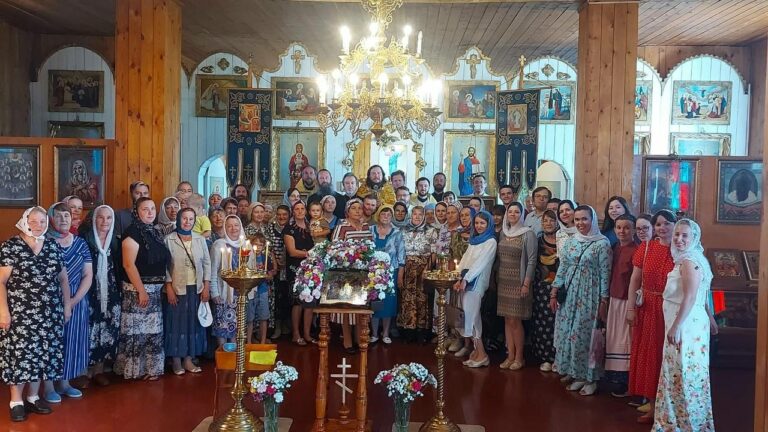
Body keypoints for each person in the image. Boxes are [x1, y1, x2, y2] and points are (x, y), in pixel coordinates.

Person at [0, 207, 68, 421]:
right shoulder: (11, 246)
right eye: (34, 221)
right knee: (20, 355)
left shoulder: (52, 246)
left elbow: (63, 279)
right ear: (25, 221)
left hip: (49, 313)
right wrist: (3, 311)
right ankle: (16, 402)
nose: (39, 225)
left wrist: (66, 306)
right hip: (20, 314)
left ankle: (33, 397)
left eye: (42, 221)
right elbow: (1, 281)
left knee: (42, 355)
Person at [653, 219, 717, 431]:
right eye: (677, 234)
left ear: (694, 238)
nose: (679, 239)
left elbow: (690, 297)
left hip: (685, 322)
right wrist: (711, 317)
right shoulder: (693, 259)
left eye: (685, 235)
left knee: (681, 369)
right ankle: (687, 420)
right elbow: (704, 295)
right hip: (690, 320)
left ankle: (682, 423)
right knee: (686, 369)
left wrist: (676, 326)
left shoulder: (689, 261)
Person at [549, 205, 612, 397]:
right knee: (568, 332)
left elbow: (605, 273)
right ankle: (574, 371)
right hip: (569, 293)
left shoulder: (602, 244)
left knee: (584, 336)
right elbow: (564, 266)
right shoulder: (571, 241)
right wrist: (554, 290)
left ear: (592, 220)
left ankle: (589, 378)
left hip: (589, 295)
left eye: (584, 219)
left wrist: (604, 300)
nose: (580, 223)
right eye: (577, 219)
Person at [627, 209, 677, 423]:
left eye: (667, 223)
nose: (662, 228)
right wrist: (630, 308)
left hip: (671, 309)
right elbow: (635, 279)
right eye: (658, 224)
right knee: (649, 355)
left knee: (667, 356)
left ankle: (669, 407)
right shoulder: (647, 247)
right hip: (648, 307)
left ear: (675, 224)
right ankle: (652, 403)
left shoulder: (682, 250)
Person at [115, 198, 171, 381]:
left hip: (155, 291)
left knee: (152, 332)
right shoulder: (132, 233)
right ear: (137, 212)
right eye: (145, 209)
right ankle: (136, 369)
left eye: (152, 209)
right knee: (138, 332)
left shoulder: (155, 232)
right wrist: (141, 290)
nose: (150, 212)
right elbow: (128, 265)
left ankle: (151, 368)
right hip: (137, 290)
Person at [44, 202, 92, 402]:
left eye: (67, 215)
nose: (63, 219)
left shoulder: (80, 243)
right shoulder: (43, 242)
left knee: (71, 341)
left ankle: (65, 383)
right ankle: (48, 387)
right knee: (50, 343)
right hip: (50, 299)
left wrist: (73, 301)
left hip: (77, 299)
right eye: (58, 215)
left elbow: (88, 274)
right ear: (50, 218)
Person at [163, 208, 210, 376]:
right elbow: (165, 266)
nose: (187, 222)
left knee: (192, 324)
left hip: (196, 288)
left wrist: (206, 286)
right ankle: (176, 360)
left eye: (191, 219)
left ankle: (189, 359)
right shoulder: (169, 239)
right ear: (178, 219)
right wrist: (169, 287)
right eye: (184, 218)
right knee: (176, 324)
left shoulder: (200, 239)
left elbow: (207, 263)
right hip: (177, 288)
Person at [79, 206, 121, 388]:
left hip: (110, 293)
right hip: (89, 291)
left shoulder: (115, 242)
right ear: (94, 219)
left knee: (106, 330)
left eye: (109, 218)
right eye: (101, 218)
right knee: (88, 330)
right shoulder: (84, 240)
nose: (105, 222)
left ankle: (99, 370)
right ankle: (83, 371)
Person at [496, 202, 538, 370]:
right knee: (507, 319)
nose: (513, 214)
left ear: (522, 214)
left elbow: (532, 261)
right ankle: (510, 355)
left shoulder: (528, 234)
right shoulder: (503, 232)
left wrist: (526, 283)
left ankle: (519, 357)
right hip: (503, 281)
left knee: (515, 320)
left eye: (516, 212)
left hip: (518, 282)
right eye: (510, 211)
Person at [454, 210, 497, 368]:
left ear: (488, 224)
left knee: (472, 318)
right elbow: (465, 260)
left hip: (476, 281)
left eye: (482, 223)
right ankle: (478, 352)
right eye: (477, 223)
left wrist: (466, 278)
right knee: (469, 317)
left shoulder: (490, 241)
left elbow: (481, 263)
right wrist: (458, 277)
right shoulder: (474, 240)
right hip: (465, 280)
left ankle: (482, 354)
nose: (479, 226)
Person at [332, 199, 374, 353]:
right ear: (347, 211)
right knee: (346, 306)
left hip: (363, 272)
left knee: (360, 305)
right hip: (345, 272)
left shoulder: (366, 226)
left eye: (359, 208)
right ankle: (347, 340)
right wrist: (349, 256)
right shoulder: (341, 227)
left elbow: (371, 247)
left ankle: (358, 338)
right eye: (354, 208)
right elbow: (334, 248)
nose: (357, 211)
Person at [605, 214, 638, 397]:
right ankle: (614, 377)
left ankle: (626, 381)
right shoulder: (615, 247)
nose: (622, 231)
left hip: (627, 300)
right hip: (614, 298)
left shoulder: (636, 250)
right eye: (618, 227)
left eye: (626, 227)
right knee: (613, 339)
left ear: (633, 230)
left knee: (625, 341)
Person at [399, 206, 437, 344]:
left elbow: (434, 252)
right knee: (407, 299)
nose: (417, 217)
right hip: (408, 268)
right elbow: (401, 251)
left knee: (422, 299)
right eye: (414, 214)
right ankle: (408, 331)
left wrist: (427, 269)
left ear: (424, 216)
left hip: (423, 268)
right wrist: (401, 271)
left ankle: (422, 331)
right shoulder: (403, 230)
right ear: (411, 215)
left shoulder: (431, 230)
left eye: (420, 214)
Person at [370, 206, 405, 345]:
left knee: (388, 303)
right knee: (374, 301)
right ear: (378, 215)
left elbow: (401, 256)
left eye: (389, 214)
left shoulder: (397, 233)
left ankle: (385, 333)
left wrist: (400, 275)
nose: (386, 216)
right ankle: (374, 333)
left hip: (391, 273)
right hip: (373, 273)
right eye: (383, 214)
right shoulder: (370, 230)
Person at [283, 201, 315, 346]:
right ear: (293, 211)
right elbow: (292, 251)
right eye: (297, 209)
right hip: (295, 269)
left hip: (311, 268)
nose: (300, 211)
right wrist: (310, 254)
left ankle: (307, 334)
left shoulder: (311, 227)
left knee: (309, 301)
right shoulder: (289, 229)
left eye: (302, 208)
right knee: (297, 302)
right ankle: (296, 334)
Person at [210, 215, 244, 345]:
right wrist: (214, 292)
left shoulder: (244, 244)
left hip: (240, 293)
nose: (233, 228)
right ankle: (223, 353)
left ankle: (234, 354)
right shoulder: (219, 245)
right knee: (222, 327)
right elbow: (213, 270)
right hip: (223, 293)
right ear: (225, 228)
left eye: (236, 225)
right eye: (229, 226)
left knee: (236, 328)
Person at [532, 210, 559, 372]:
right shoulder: (538, 240)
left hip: (559, 287)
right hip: (541, 287)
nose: (548, 223)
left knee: (557, 322)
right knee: (542, 321)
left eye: (551, 220)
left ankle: (559, 358)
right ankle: (546, 357)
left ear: (557, 222)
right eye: (545, 220)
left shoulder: (563, 239)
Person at [266, 205, 290, 340]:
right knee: (277, 298)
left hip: (289, 267)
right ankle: (277, 327)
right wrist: (276, 262)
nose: (282, 217)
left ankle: (287, 325)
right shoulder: (271, 228)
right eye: (279, 214)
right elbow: (269, 247)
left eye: (284, 214)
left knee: (288, 296)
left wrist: (286, 261)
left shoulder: (291, 227)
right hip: (275, 267)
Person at [248, 233, 277, 345]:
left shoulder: (266, 258)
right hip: (251, 290)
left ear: (264, 246)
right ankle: (249, 342)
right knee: (249, 318)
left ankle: (263, 341)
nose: (258, 247)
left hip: (262, 289)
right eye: (255, 244)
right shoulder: (248, 257)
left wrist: (268, 275)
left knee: (263, 317)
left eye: (260, 245)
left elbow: (270, 274)